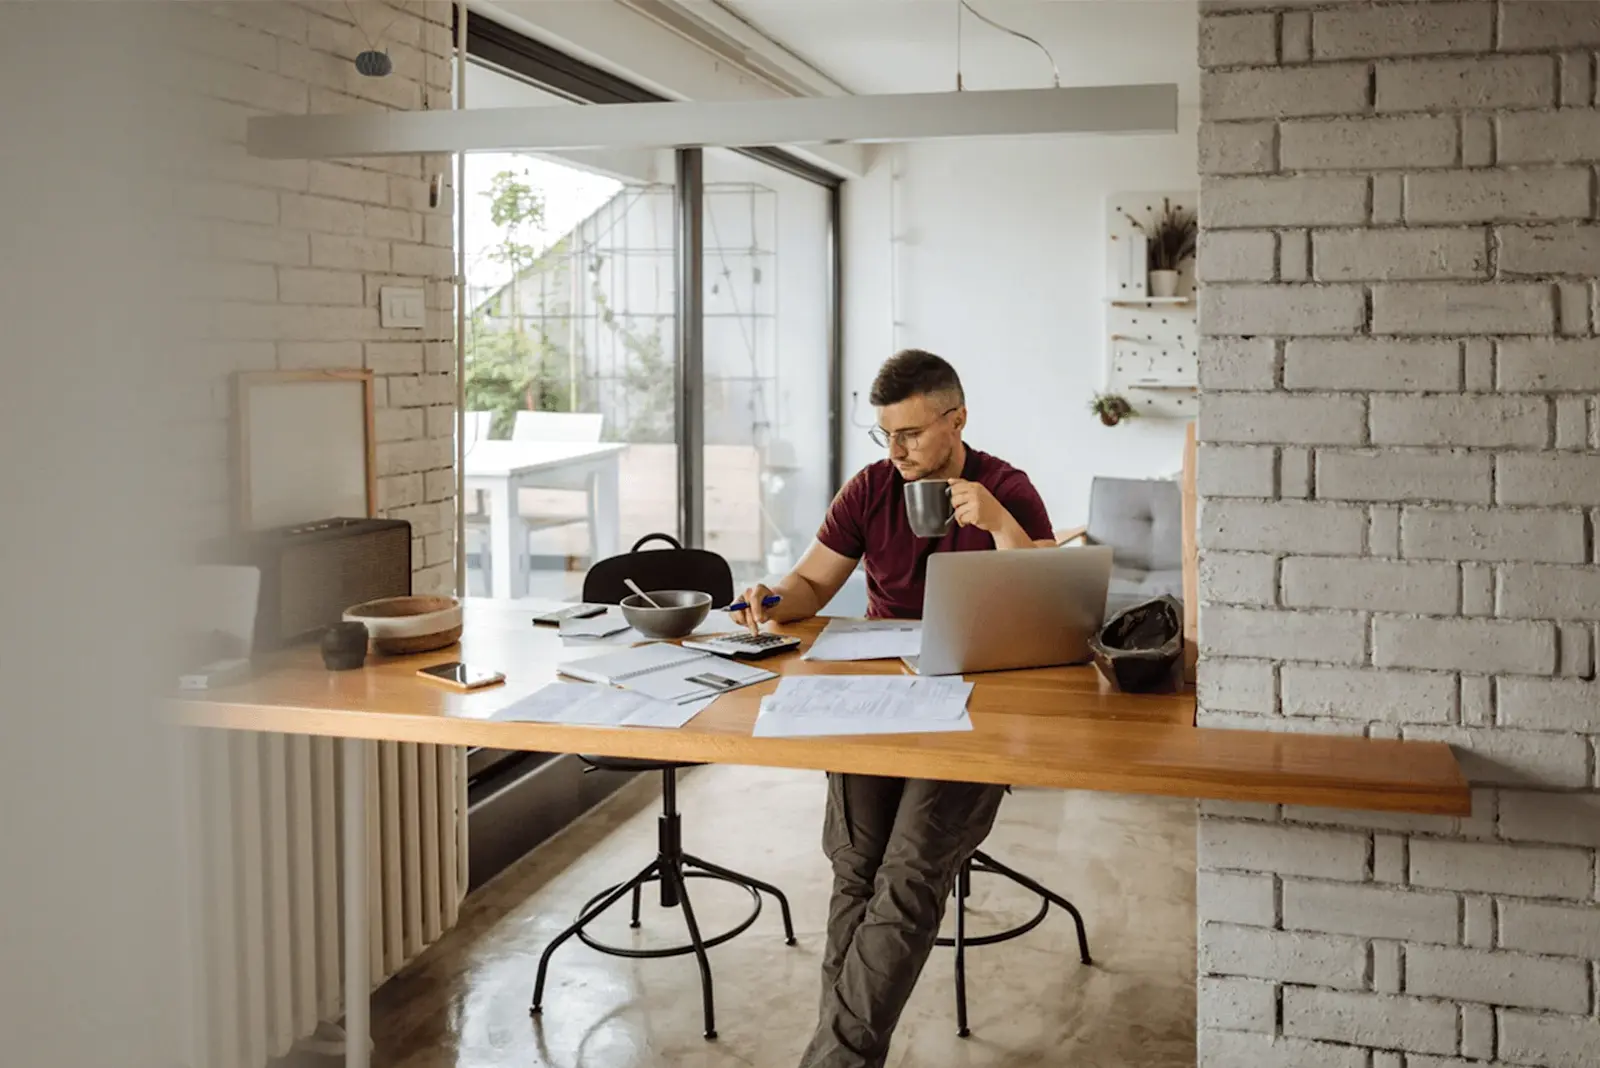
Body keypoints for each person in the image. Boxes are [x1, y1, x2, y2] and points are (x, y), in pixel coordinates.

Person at [727, 349, 1057, 1068]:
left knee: (906, 875)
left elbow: (1049, 614)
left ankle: (834, 1061)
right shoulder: (872, 488)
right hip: (879, 700)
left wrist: (999, 523)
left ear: (957, 418)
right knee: (856, 865)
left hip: (977, 708)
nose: (896, 450)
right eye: (885, 434)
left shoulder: (1007, 489)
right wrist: (773, 600)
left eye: (909, 433)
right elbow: (812, 583)